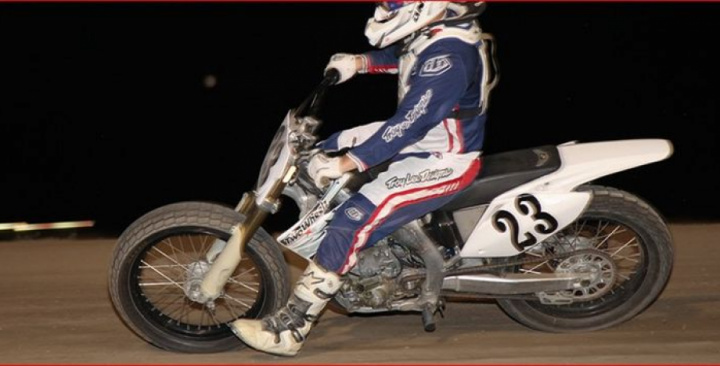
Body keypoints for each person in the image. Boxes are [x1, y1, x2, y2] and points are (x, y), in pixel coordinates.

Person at [230, 1, 496, 356]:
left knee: (349, 222)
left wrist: (349, 163)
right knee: (323, 147)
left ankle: (292, 329)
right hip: (423, 140)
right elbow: (409, 56)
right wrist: (361, 63)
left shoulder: (449, 56)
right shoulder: (440, 34)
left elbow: (408, 124)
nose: (388, 6)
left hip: (441, 156)